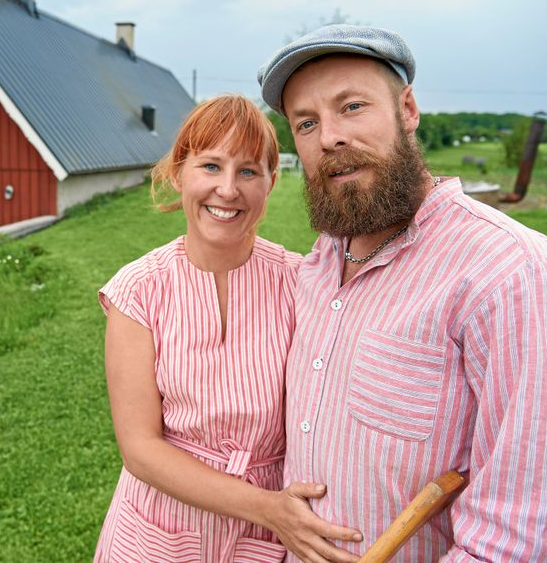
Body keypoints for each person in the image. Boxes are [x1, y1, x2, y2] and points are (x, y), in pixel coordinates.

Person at [256, 24, 547, 562]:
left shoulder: (512, 275)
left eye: (351, 106)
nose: (329, 137)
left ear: (409, 109)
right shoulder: (321, 263)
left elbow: (535, 540)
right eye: (306, 122)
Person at [94, 95, 361, 562]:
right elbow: (140, 449)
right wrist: (268, 508)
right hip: (159, 530)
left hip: (262, 540)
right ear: (180, 173)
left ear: (271, 183)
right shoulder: (138, 291)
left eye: (248, 172)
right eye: (211, 166)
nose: (228, 190)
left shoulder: (302, 282)